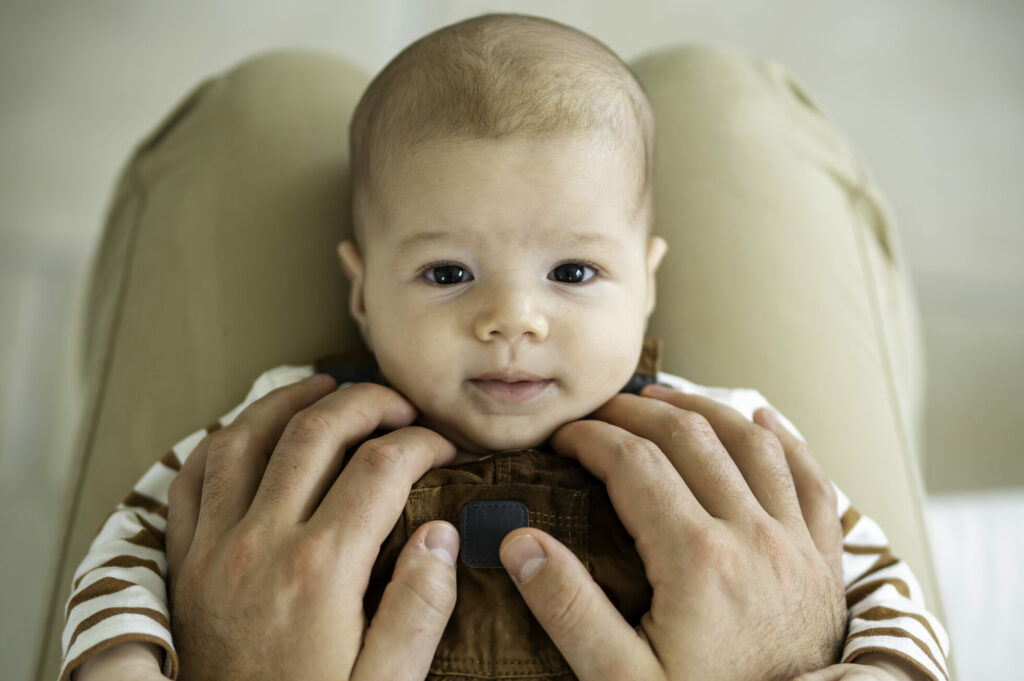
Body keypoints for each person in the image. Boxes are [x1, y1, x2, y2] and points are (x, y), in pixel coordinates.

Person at [60, 13, 949, 681]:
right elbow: (141, 536)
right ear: (362, 291)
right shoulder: (295, 414)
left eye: (572, 271)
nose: (512, 318)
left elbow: (876, 593)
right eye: (448, 274)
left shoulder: (729, 433)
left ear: (646, 281)